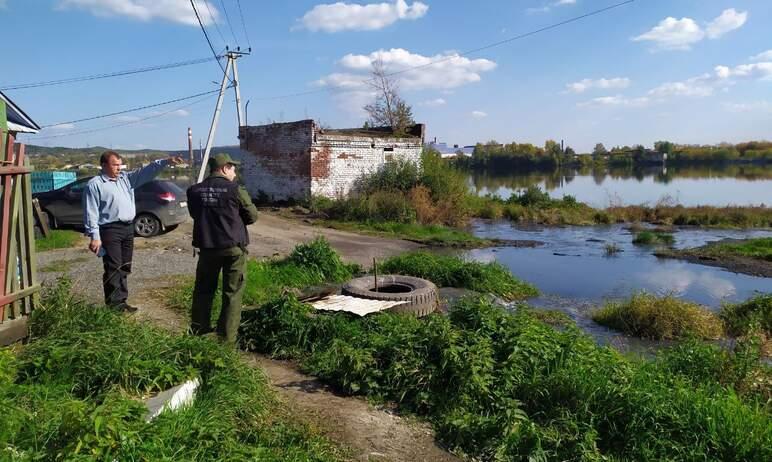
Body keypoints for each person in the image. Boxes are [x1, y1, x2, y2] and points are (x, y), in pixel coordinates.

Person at [83, 151, 183, 312]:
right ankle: (113, 305)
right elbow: (91, 212)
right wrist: (95, 237)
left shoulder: (126, 179)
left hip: (128, 228)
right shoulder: (95, 184)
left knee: (125, 265)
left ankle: (121, 301)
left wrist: (165, 161)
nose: (119, 168)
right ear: (103, 165)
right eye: (115, 165)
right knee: (113, 266)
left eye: (120, 164)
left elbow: (146, 171)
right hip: (110, 229)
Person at [187, 153, 258, 343]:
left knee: (203, 290)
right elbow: (252, 216)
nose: (235, 172)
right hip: (233, 248)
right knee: (232, 293)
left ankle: (198, 332)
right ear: (225, 168)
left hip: (207, 248)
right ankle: (226, 339)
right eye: (233, 168)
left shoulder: (194, 190)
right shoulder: (235, 189)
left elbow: (195, 214)